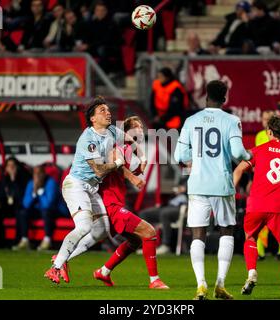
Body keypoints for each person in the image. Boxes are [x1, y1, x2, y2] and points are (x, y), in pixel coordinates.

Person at [59, 116, 169, 289]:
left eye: (141, 127)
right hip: (111, 205)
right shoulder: (118, 146)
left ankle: (103, 271)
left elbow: (121, 168)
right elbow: (115, 163)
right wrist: (133, 176)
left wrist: (140, 162)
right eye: (136, 127)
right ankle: (154, 280)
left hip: (114, 203)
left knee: (135, 241)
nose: (140, 130)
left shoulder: (125, 148)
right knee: (149, 232)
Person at [174, 80, 252, 300]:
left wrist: (196, 159)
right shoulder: (231, 120)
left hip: (197, 185)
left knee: (198, 234)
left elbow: (179, 157)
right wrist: (249, 155)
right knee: (226, 231)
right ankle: (220, 284)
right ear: (225, 99)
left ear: (205, 96)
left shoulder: (191, 120)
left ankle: (200, 285)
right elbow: (238, 152)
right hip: (221, 184)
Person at [44, 96, 125, 283]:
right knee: (84, 227)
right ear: (93, 119)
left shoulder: (112, 130)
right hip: (76, 185)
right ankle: (55, 268)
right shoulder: (88, 139)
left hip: (91, 187)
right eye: (102, 111)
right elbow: (98, 168)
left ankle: (62, 259)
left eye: (108, 109)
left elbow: (131, 137)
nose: (108, 112)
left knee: (102, 230)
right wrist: (119, 161)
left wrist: (135, 145)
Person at [233, 114, 280, 296]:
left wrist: (231, 191)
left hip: (256, 205)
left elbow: (240, 169)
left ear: (269, 132)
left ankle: (251, 274)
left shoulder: (258, 150)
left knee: (250, 238)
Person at [254, 110, 280, 260]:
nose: (265, 121)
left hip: (276, 183)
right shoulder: (259, 136)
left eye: (268, 119)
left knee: (279, 219)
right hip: (262, 181)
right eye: (264, 119)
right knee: (260, 219)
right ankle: (259, 252)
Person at [13, 165, 59, 251]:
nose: (37, 176)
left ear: (44, 174)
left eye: (39, 173)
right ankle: (24, 240)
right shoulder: (31, 183)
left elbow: (48, 204)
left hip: (54, 210)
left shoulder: (51, 182)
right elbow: (26, 204)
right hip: (39, 210)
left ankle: (47, 240)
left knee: (46, 212)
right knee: (23, 212)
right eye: (35, 173)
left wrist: (40, 190)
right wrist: (34, 191)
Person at [138, 180, 188, 255]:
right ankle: (145, 245)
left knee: (164, 214)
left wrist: (184, 189)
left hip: (180, 208)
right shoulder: (181, 178)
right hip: (167, 206)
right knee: (144, 214)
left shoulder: (194, 178)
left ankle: (166, 245)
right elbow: (172, 189)